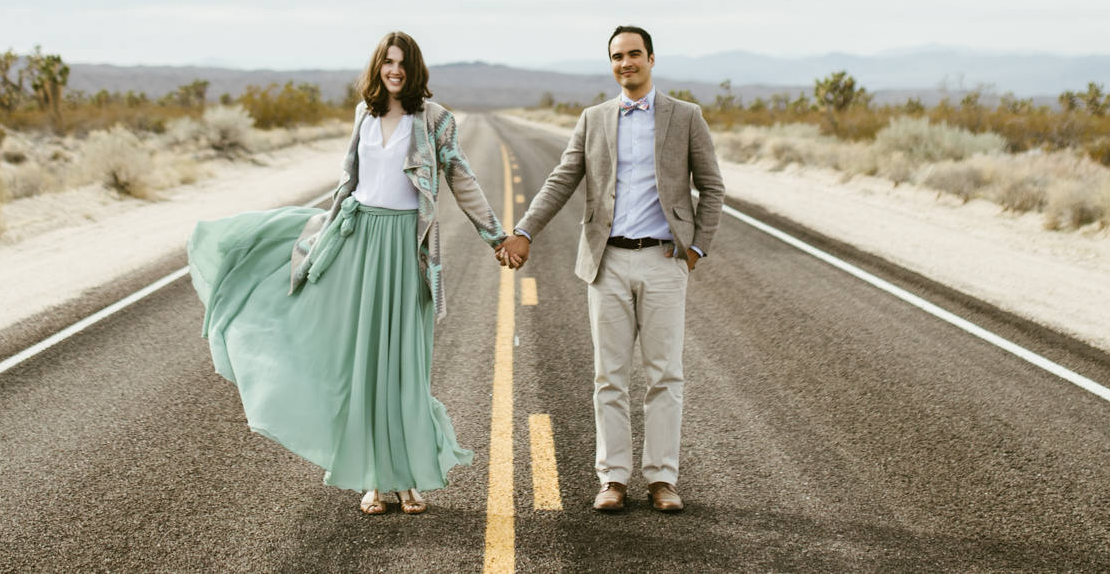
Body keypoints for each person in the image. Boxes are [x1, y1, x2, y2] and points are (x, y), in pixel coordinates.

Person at [189, 31, 510, 515]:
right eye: (387, 61)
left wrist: (496, 236)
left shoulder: (435, 119)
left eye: (402, 62)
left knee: (403, 365)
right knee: (362, 363)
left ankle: (407, 479)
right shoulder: (365, 113)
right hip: (359, 241)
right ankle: (375, 481)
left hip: (406, 249)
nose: (394, 70)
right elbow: (349, 182)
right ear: (378, 66)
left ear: (414, 67)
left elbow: (461, 177)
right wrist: (321, 238)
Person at [497, 25, 724, 513]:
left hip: (665, 260)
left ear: (652, 59)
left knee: (665, 374)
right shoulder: (594, 118)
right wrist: (525, 230)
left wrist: (698, 249)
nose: (627, 63)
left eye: (635, 54)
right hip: (608, 262)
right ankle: (613, 479)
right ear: (612, 64)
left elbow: (712, 186)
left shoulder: (685, 117)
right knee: (610, 376)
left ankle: (662, 480)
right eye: (618, 56)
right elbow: (561, 180)